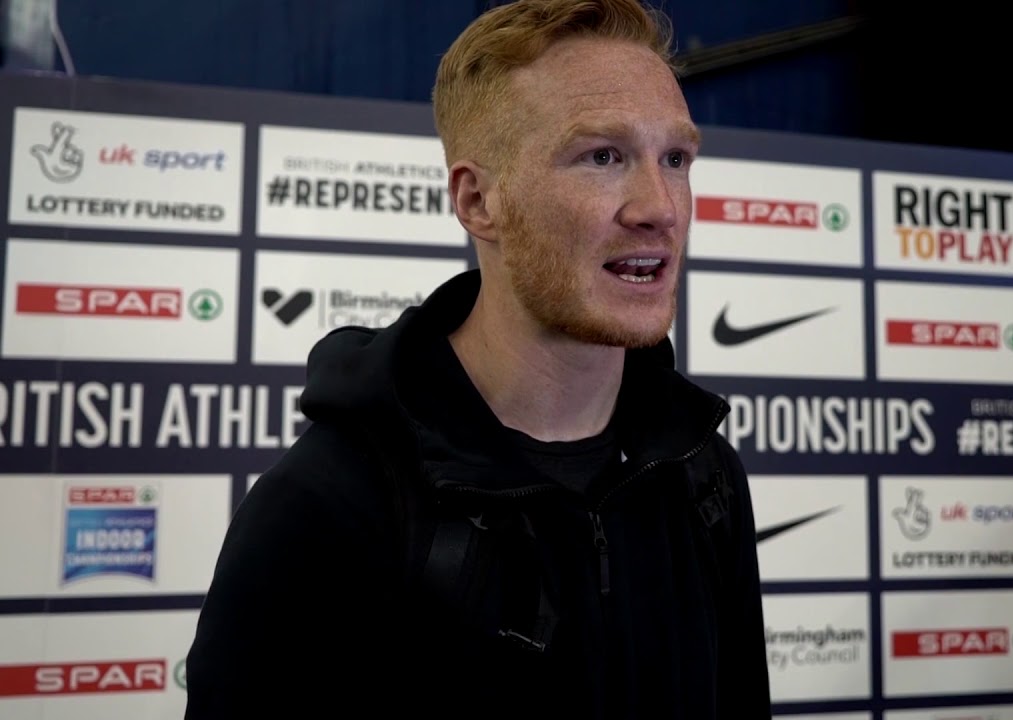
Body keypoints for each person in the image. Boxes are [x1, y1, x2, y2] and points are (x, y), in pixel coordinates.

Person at [183, 0, 771, 717]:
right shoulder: (326, 506)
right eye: (603, 156)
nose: (661, 207)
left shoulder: (703, 479)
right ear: (478, 200)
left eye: (675, 158)